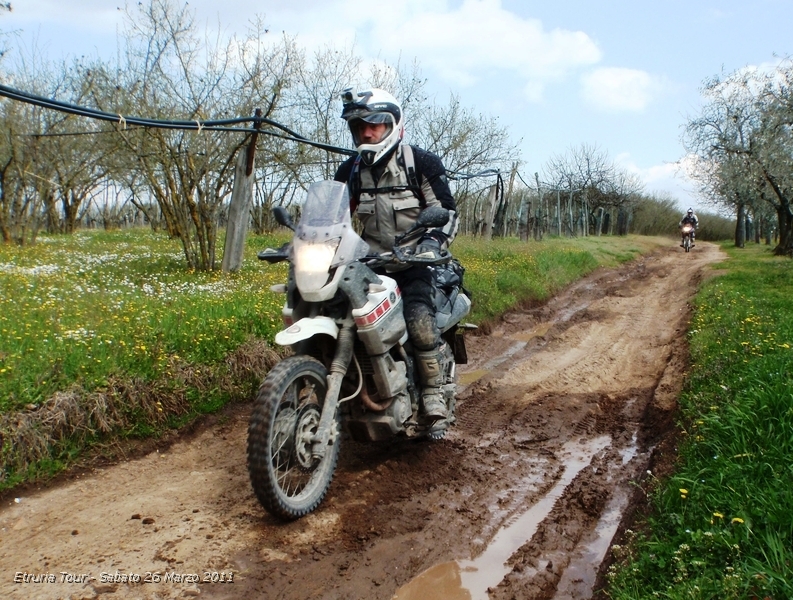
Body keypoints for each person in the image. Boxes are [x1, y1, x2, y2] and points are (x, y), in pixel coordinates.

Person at [334, 88, 458, 422]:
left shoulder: (421, 163)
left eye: (374, 125)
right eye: (360, 126)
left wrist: (430, 245)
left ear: (393, 125)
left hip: (414, 261)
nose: (367, 132)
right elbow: (335, 219)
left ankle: (432, 391)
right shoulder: (350, 171)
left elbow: (445, 212)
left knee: (418, 318)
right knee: (336, 312)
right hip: (369, 266)